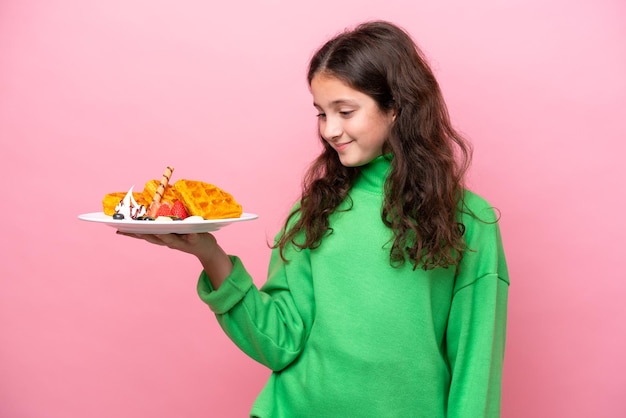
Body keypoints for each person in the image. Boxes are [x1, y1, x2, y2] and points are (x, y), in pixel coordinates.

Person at [120, 20, 509, 418]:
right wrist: (210, 254)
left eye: (345, 111)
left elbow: (475, 373)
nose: (331, 130)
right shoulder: (314, 212)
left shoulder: (469, 222)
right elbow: (280, 342)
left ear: (395, 107)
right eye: (322, 113)